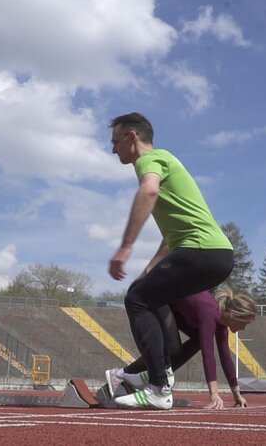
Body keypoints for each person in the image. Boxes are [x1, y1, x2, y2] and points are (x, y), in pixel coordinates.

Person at [107, 112, 234, 409]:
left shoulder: (150, 160)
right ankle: (160, 375)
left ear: (132, 137)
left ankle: (158, 386)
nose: (113, 150)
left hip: (203, 251)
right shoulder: (167, 161)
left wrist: (125, 247)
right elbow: (169, 239)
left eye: (116, 142)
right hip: (215, 255)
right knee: (149, 296)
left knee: (136, 299)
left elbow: (148, 190)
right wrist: (148, 270)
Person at [107, 286, 257, 409]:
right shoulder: (210, 313)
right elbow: (208, 354)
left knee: (195, 341)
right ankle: (119, 375)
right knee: (173, 348)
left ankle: (140, 376)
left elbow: (225, 357)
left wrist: (236, 394)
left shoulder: (221, 324)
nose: (243, 328)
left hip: (176, 311)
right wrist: (214, 394)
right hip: (158, 300)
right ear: (233, 314)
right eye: (244, 324)